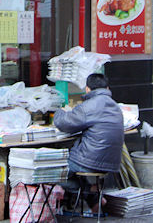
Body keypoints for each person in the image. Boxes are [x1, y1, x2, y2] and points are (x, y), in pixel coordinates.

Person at [54, 73, 124, 211]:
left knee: (54, 172)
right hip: (112, 163)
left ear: (87, 89)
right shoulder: (116, 107)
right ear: (107, 87)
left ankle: (90, 192)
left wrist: (60, 111)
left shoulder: (88, 106)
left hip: (90, 160)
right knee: (71, 171)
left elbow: (63, 123)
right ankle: (94, 200)